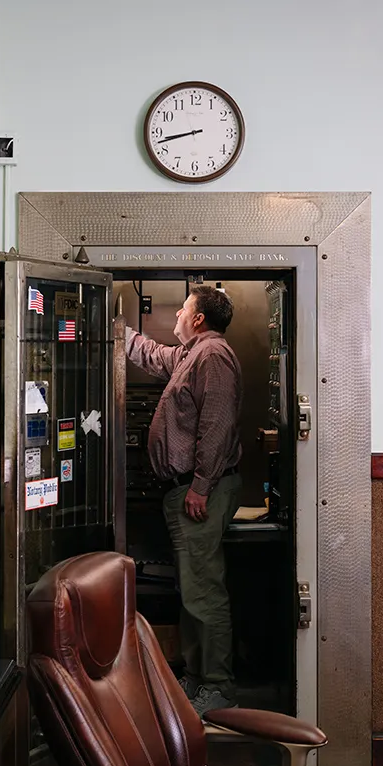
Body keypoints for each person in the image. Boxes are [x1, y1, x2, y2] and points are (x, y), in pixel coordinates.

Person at [125, 285, 243, 717]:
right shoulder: (193, 354)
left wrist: (200, 486)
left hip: (200, 492)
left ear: (198, 319)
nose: (176, 314)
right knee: (192, 589)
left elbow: (217, 425)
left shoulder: (213, 357)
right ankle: (196, 677)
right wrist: (121, 332)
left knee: (204, 591)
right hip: (188, 489)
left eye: (182, 309)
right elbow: (156, 356)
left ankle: (218, 686)